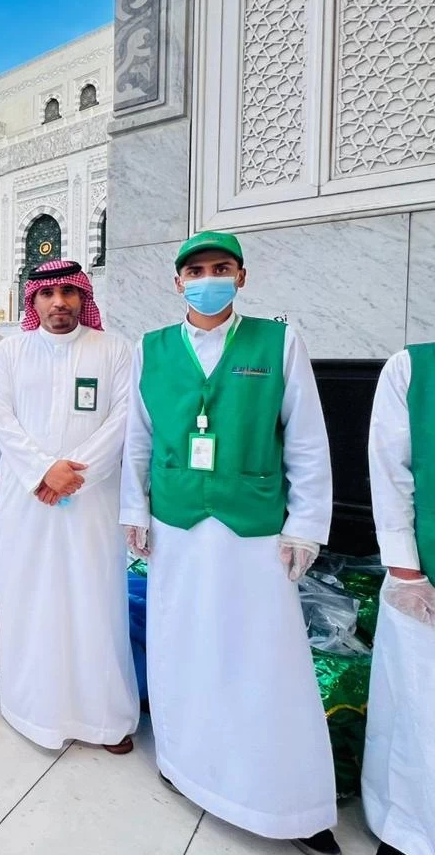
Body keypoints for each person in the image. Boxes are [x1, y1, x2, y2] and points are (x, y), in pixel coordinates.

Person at [119, 231, 338, 854]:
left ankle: (287, 803)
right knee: (181, 644)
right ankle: (184, 763)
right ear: (177, 282)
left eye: (220, 269)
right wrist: (134, 510)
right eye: (195, 271)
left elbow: (306, 439)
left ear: (241, 277)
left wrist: (305, 524)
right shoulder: (151, 348)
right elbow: (138, 437)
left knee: (264, 657)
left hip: (253, 529)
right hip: (177, 525)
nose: (207, 279)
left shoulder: (279, 342)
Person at [0, 260, 138, 752]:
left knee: (95, 603)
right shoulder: (11, 351)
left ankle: (104, 719)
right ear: (32, 301)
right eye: (48, 294)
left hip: (91, 504)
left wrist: (72, 476)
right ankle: (32, 709)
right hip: (26, 502)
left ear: (83, 298)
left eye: (69, 292)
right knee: (30, 601)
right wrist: (42, 471)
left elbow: (124, 419)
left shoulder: (114, 349)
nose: (59, 302)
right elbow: (0, 419)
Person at [362, 344, 435, 855]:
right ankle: (411, 832)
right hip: (423, 582)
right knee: (417, 713)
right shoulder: (413, 369)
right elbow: (390, 470)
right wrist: (407, 571)